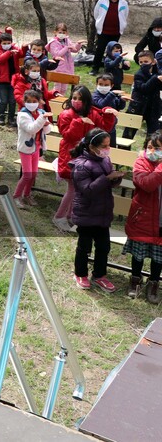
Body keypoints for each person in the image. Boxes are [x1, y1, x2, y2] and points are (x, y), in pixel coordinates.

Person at [55, 85, 118, 233]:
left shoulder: (93, 113)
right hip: (70, 155)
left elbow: (103, 129)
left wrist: (108, 115)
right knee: (72, 189)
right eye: (74, 98)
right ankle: (59, 217)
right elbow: (68, 135)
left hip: (86, 158)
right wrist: (79, 121)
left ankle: (70, 216)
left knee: (78, 190)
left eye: (80, 99)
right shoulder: (66, 114)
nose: (76, 101)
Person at [69, 128, 122, 293]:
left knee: (104, 247)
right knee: (84, 246)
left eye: (109, 145)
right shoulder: (81, 165)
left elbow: (108, 183)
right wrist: (106, 179)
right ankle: (80, 273)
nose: (107, 149)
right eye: (104, 146)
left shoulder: (105, 160)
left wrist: (115, 178)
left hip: (103, 212)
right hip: (86, 212)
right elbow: (88, 190)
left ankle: (99, 275)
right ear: (92, 146)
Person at [125, 132, 162, 303]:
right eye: (150, 147)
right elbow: (147, 185)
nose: (153, 151)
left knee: (158, 255)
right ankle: (135, 279)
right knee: (138, 253)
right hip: (143, 216)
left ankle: (154, 282)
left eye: (158, 148)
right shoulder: (141, 162)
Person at [14, 89, 52, 208]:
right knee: (27, 175)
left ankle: (27, 194)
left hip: (36, 147)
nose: (31, 103)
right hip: (25, 148)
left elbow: (47, 130)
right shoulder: (22, 115)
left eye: (34, 101)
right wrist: (42, 119)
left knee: (33, 174)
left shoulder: (40, 112)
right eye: (28, 101)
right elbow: (31, 129)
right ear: (24, 102)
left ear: (39, 102)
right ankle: (16, 196)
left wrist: (45, 124)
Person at [91, 0, 129, 74]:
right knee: (100, 49)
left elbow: (125, 15)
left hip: (116, 31)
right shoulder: (102, 1)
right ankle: (95, 68)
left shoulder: (124, 3)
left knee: (114, 51)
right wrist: (99, 23)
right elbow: (96, 14)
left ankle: (113, 68)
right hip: (103, 31)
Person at [0, 32, 23, 127]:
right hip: (2, 81)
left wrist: (24, 48)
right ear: (0, 43)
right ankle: (1, 116)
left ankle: (11, 117)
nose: (6, 45)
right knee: (3, 100)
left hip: (14, 80)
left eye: (8, 43)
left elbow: (21, 54)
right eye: (4, 43)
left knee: (13, 101)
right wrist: (9, 52)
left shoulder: (14, 49)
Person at [46, 23, 84, 95]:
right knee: (57, 88)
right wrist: (66, 48)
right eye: (60, 32)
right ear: (55, 32)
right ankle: (53, 99)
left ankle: (60, 102)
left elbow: (74, 49)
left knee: (64, 88)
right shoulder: (53, 42)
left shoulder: (67, 40)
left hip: (67, 68)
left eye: (64, 32)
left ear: (66, 33)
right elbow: (57, 54)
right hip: (58, 67)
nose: (62, 34)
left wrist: (78, 44)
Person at [132, 50, 162, 136]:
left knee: (153, 133)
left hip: (153, 107)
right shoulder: (139, 75)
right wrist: (155, 79)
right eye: (141, 62)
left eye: (146, 61)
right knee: (130, 131)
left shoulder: (156, 73)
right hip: (139, 106)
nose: (143, 64)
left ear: (153, 62)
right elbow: (144, 88)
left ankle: (149, 148)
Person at [92, 73, 126, 145]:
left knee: (112, 148)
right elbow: (101, 104)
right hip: (98, 129)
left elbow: (119, 107)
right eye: (100, 84)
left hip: (111, 128)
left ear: (112, 86)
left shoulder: (111, 95)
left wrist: (122, 101)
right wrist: (112, 94)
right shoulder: (95, 96)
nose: (103, 87)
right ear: (96, 84)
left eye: (106, 85)